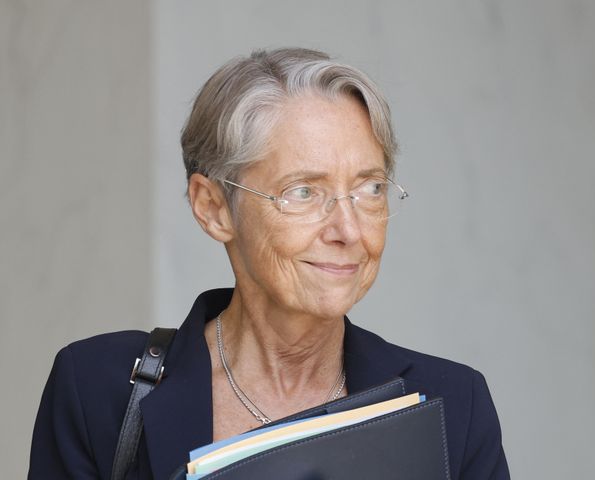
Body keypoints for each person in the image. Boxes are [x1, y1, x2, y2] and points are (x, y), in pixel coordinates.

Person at [29, 48, 510, 479]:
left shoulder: (452, 405)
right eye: (303, 192)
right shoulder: (97, 390)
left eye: (370, 188)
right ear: (213, 207)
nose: (348, 230)